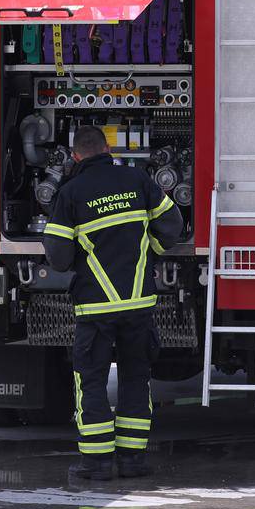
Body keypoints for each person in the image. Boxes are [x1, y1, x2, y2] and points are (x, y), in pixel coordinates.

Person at [42, 125, 182, 487]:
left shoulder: (70, 193)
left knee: (91, 381)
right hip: (139, 305)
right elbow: (172, 225)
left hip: (96, 309)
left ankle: (97, 463)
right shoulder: (137, 179)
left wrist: (80, 257)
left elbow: (57, 256)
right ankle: (133, 461)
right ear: (107, 147)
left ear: (75, 156)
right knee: (137, 378)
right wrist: (151, 251)